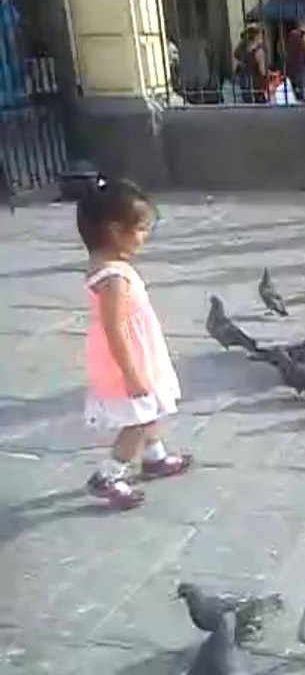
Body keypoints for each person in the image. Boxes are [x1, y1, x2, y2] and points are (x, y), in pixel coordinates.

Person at [78, 179, 192, 509]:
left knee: (149, 407)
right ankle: (109, 475)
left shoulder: (107, 266)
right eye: (140, 229)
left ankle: (154, 456)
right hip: (127, 358)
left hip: (139, 352)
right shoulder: (113, 277)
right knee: (138, 420)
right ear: (116, 230)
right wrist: (131, 373)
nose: (144, 237)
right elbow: (114, 328)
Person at [234, 24, 268, 104]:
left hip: (245, 84)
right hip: (257, 85)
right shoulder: (259, 52)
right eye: (261, 35)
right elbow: (262, 71)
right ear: (256, 37)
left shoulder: (243, 49)